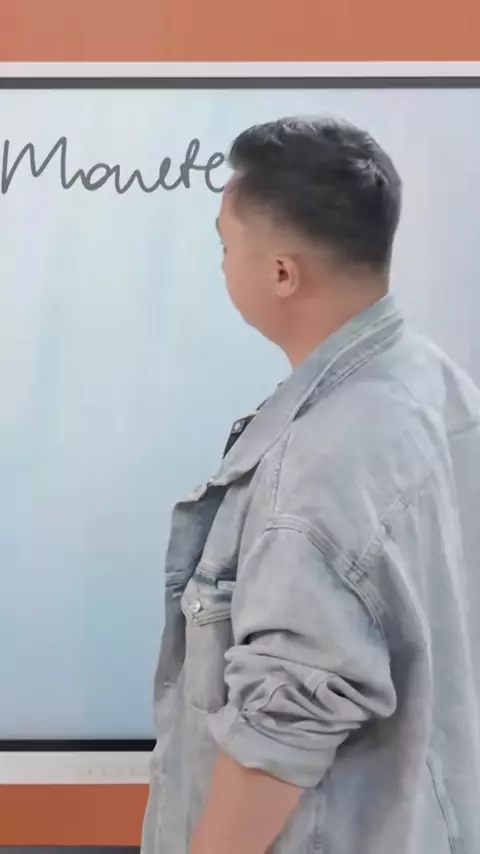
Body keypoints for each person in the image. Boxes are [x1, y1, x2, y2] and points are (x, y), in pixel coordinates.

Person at [142, 117, 480, 854]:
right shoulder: (435, 383)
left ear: (282, 274)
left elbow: (282, 732)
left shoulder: (320, 463)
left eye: (226, 247)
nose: (222, 265)